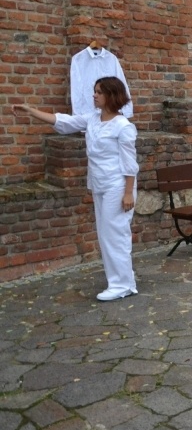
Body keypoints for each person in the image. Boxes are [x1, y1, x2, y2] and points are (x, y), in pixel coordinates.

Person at [13, 77, 139, 302]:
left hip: (117, 186)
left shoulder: (123, 126)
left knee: (116, 235)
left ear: (111, 95)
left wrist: (128, 192)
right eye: (94, 91)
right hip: (99, 183)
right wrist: (31, 111)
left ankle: (122, 285)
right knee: (105, 235)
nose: (94, 95)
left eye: (99, 92)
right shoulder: (92, 119)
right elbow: (63, 122)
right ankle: (121, 280)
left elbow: (130, 163)